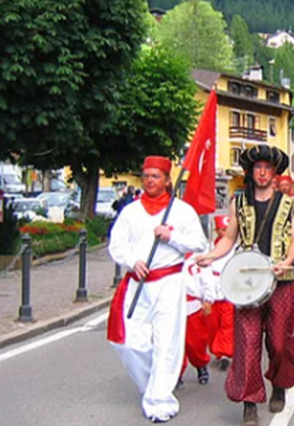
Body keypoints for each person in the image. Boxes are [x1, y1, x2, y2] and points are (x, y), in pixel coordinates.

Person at [196, 145, 294, 426]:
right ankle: (250, 402)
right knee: (247, 343)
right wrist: (211, 254)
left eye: (268, 168)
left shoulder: (289, 203)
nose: (263, 172)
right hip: (246, 282)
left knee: (279, 342)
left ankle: (279, 384)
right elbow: (229, 238)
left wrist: (289, 260)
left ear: (275, 173)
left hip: (280, 281)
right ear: (251, 172)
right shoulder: (238, 202)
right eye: (258, 167)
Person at [107, 156, 208, 423]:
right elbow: (116, 245)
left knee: (167, 343)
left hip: (169, 283)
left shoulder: (182, 211)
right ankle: (152, 385)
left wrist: (171, 236)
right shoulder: (130, 211)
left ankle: (160, 400)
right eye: (146, 176)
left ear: (166, 179)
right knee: (131, 344)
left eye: (155, 176)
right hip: (137, 283)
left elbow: (199, 243)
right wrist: (131, 261)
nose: (150, 181)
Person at [207, 215, 235, 370]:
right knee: (213, 323)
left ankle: (225, 351)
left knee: (227, 322)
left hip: (228, 286)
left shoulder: (235, 248)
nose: (225, 233)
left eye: (227, 229)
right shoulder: (209, 247)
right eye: (222, 230)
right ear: (216, 230)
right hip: (212, 286)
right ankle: (216, 350)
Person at [180, 256, 214, 387]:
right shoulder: (165, 253)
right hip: (171, 305)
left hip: (193, 306)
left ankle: (200, 364)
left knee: (195, 343)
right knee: (173, 344)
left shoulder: (198, 256)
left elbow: (207, 279)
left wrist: (208, 299)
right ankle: (176, 374)